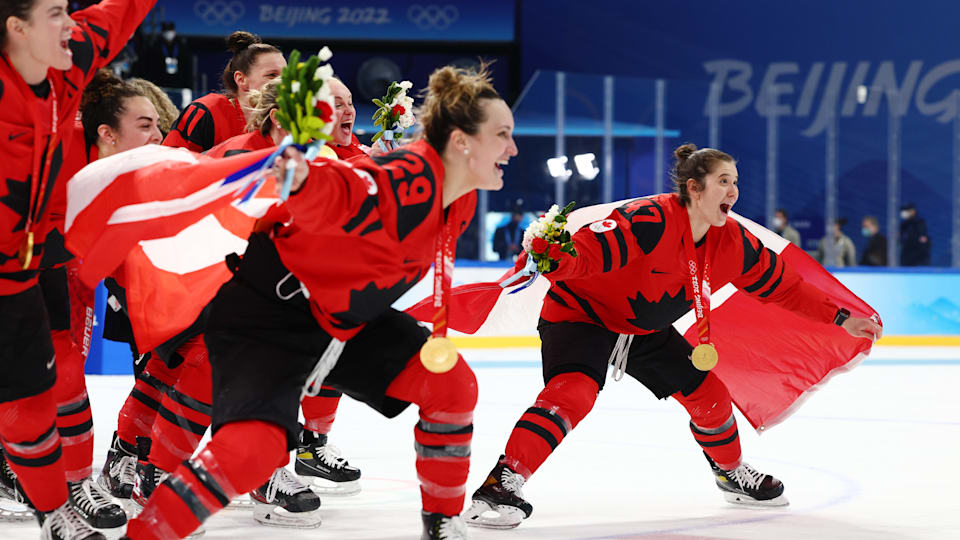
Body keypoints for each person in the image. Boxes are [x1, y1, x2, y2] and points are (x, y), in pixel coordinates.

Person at [122, 63, 516, 540]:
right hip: (270, 311)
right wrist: (306, 180)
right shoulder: (410, 176)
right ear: (461, 142)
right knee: (253, 452)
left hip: (337, 315)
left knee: (450, 386)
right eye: (502, 134)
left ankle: (443, 525)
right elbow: (350, 188)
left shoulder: (462, 197)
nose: (512, 148)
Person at [464, 144, 881, 529]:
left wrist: (840, 316)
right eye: (724, 181)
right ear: (694, 188)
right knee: (572, 393)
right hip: (582, 315)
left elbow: (785, 286)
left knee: (711, 397)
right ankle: (500, 485)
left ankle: (731, 472)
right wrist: (559, 259)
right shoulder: (648, 219)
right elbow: (587, 253)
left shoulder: (734, 242)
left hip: (644, 329)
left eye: (736, 181)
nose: (733, 190)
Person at [0, 0, 156, 537]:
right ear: (16, 29)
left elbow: (120, 12)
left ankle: (55, 506)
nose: (71, 24)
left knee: (37, 396)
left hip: (27, 271)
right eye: (56, 13)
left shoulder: (66, 77)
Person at [163, 30, 284, 152]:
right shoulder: (206, 112)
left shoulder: (286, 119)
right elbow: (169, 163)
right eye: (272, 75)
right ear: (241, 79)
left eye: (286, 75)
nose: (282, 81)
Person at [135, 21, 191, 89]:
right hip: (161, 83)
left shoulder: (181, 47)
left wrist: (188, 86)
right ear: (162, 32)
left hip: (178, 83)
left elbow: (187, 67)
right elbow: (150, 67)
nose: (168, 33)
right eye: (166, 31)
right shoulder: (155, 47)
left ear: (174, 31)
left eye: (170, 30)